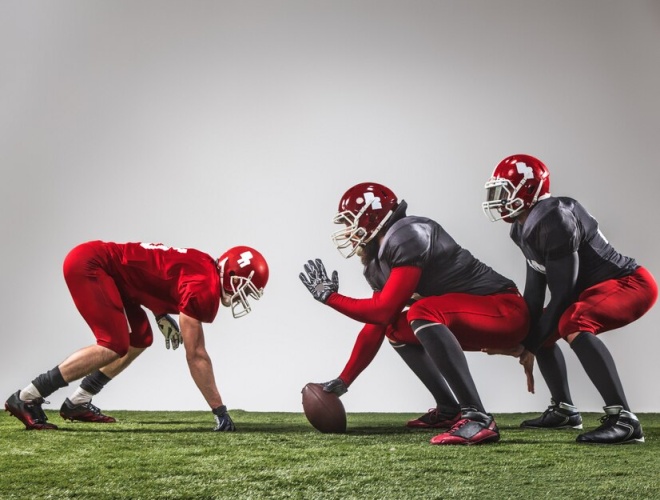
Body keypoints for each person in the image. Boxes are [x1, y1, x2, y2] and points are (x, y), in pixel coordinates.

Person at [299, 182, 530, 445]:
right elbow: (380, 321)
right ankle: (448, 409)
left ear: (371, 217)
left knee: (421, 311)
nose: (348, 232)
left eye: (351, 222)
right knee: (395, 328)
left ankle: (478, 418)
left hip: (504, 310)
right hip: (467, 320)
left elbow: (381, 309)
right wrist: (344, 380)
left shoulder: (407, 234)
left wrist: (331, 298)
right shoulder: (377, 265)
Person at [483, 154, 657, 444]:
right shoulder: (521, 227)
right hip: (592, 290)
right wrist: (526, 335)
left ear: (526, 190)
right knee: (539, 322)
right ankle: (565, 410)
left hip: (629, 283)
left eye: (504, 191)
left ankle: (624, 420)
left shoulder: (554, 217)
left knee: (573, 320)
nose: (498, 199)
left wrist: (529, 345)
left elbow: (564, 292)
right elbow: (536, 289)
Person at [4, 240, 269, 431]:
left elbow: (154, 274)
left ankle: (78, 401)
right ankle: (27, 397)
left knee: (141, 338)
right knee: (114, 344)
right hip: (93, 265)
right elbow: (196, 355)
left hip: (109, 271)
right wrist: (219, 410)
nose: (242, 296)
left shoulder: (204, 265)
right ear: (232, 274)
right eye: (244, 288)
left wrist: (160, 313)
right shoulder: (205, 288)